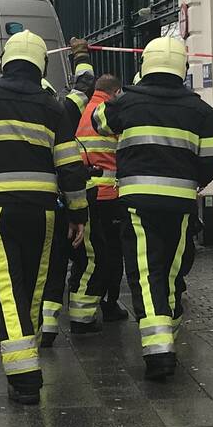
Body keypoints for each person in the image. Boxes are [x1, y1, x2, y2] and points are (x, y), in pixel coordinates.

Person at [0, 30, 88, 404]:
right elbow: (71, 166)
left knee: (8, 287)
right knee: (36, 285)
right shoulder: (54, 106)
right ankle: (30, 355)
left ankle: (24, 377)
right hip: (44, 212)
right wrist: (78, 213)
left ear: (5, 60)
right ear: (41, 63)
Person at [92, 37, 213, 380]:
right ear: (181, 67)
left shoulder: (127, 102)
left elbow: (98, 121)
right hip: (181, 202)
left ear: (145, 65)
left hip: (137, 202)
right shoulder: (200, 110)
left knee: (145, 271)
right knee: (169, 271)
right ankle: (168, 329)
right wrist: (193, 181)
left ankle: (159, 350)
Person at [39, 38, 97, 348]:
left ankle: (45, 326)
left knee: (45, 264)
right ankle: (69, 319)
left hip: (34, 201)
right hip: (61, 198)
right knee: (67, 260)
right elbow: (85, 84)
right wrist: (81, 54)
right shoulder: (61, 110)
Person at [76, 73, 129, 325]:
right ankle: (110, 303)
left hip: (86, 193)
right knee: (113, 253)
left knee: (93, 252)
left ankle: (90, 301)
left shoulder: (84, 111)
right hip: (110, 193)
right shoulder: (110, 113)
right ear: (116, 92)